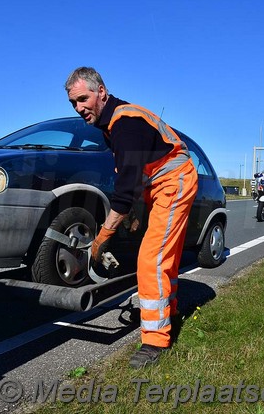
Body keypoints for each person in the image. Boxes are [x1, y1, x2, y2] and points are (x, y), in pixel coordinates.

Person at [65, 67, 198, 369]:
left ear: (101, 92)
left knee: (151, 259)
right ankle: (169, 311)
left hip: (175, 180)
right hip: (160, 184)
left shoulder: (125, 122)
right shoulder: (112, 125)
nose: (79, 108)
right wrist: (133, 214)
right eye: (73, 103)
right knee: (165, 254)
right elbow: (132, 176)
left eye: (83, 99)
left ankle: (155, 340)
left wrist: (103, 236)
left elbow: (126, 186)